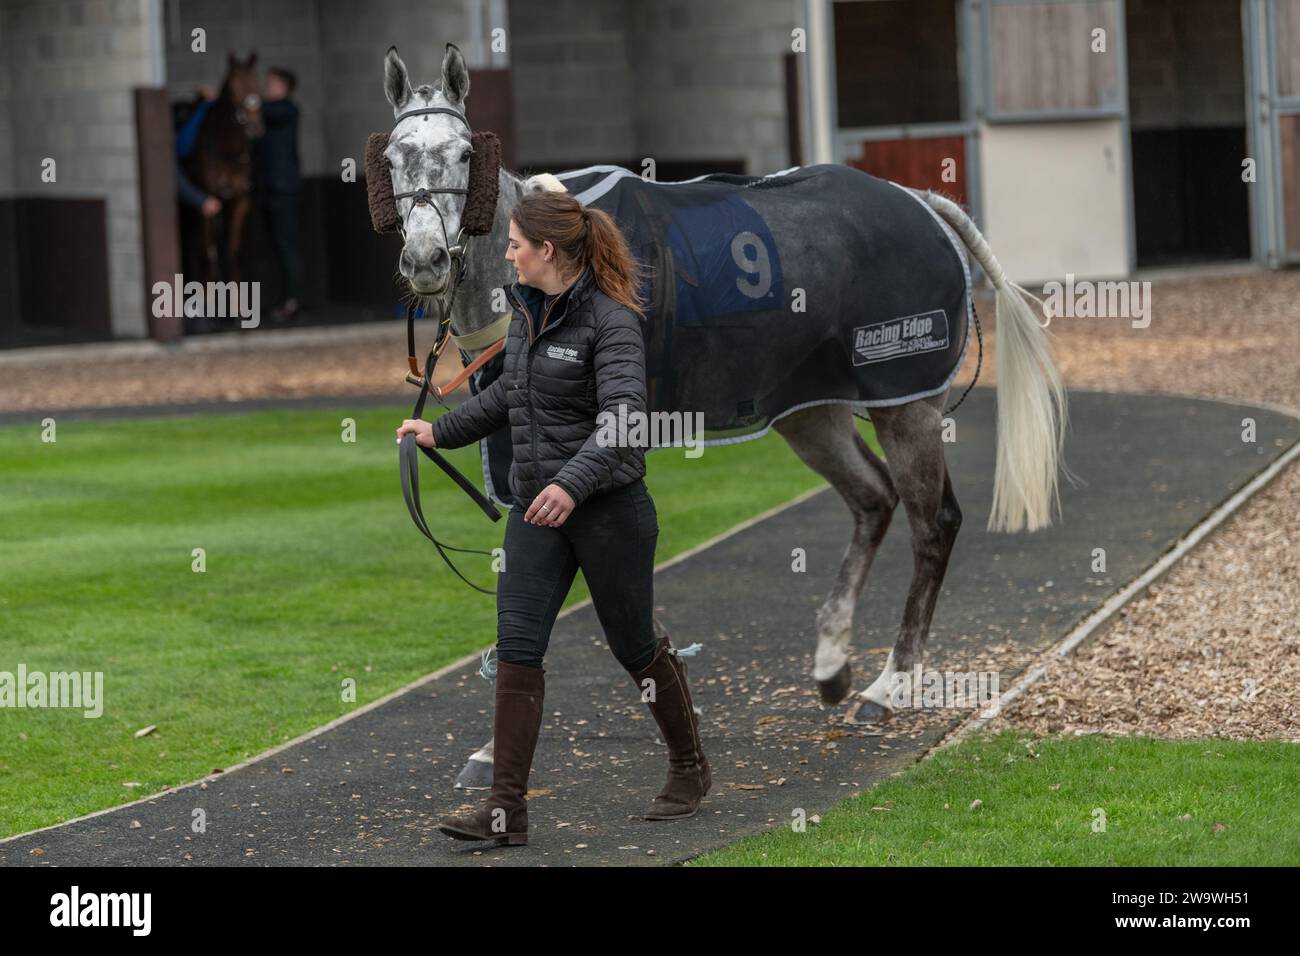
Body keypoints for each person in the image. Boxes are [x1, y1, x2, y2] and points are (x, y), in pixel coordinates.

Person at [395, 190, 711, 847]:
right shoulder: (525, 315)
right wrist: (438, 432)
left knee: (634, 647)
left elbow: (625, 418)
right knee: (517, 648)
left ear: (547, 251)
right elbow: (510, 393)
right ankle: (504, 812)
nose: (506, 254)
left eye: (514, 245)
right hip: (535, 512)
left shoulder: (611, 321)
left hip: (609, 511)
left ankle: (690, 765)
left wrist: (572, 484)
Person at [252, 66, 302, 322]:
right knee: (273, 248)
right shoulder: (270, 111)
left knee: (286, 246)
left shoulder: (286, 110)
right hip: (267, 189)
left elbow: (259, 109)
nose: (266, 88)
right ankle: (280, 299)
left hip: (283, 190)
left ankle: (293, 300)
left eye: (271, 84)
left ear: (283, 88)